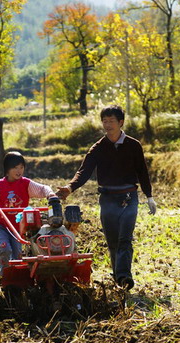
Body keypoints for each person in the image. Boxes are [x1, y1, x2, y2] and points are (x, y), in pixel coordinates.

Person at [57, 105, 156, 291]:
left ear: (121, 122)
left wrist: (149, 196)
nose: (107, 125)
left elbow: (142, 171)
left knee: (125, 239)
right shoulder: (98, 148)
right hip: (108, 198)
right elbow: (84, 171)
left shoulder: (134, 146)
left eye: (111, 121)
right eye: (105, 121)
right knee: (113, 241)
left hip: (129, 197)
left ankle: (124, 277)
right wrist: (70, 188)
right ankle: (118, 277)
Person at [0, 151, 56, 277]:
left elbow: (43, 189)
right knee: (4, 249)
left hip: (19, 226)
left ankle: (18, 277)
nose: (19, 170)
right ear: (7, 169)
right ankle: (5, 276)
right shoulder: (0, 184)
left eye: (21, 167)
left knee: (18, 255)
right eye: (15, 167)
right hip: (2, 225)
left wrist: (50, 193)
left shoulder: (26, 183)